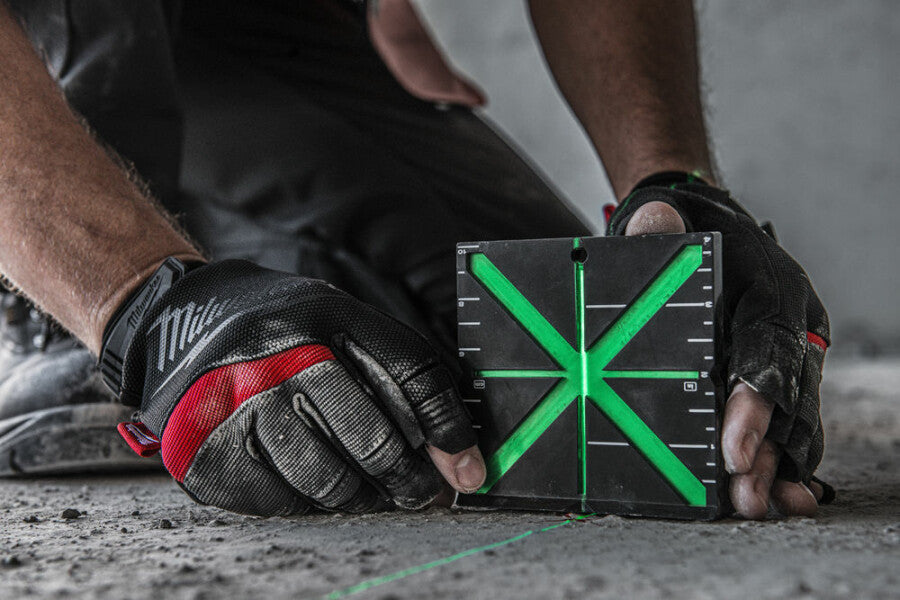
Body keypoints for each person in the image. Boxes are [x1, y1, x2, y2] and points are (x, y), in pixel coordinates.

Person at [0, 0, 831, 518]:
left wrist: (673, 182)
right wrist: (148, 308)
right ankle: (57, 315)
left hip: (262, 30)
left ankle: (237, 269)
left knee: (530, 341)